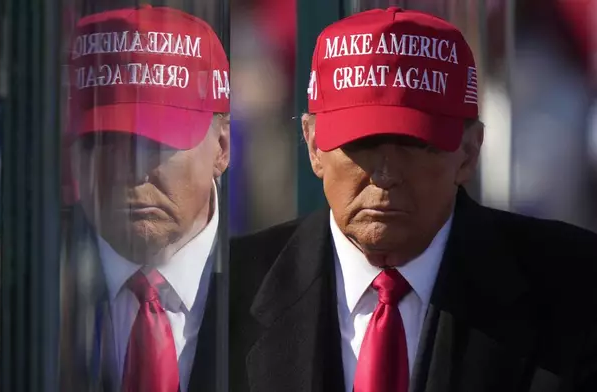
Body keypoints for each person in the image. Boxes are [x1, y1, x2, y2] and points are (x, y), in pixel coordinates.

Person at [229, 7, 597, 392]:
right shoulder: (221, 293)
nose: (385, 173)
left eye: (414, 145)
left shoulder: (577, 292)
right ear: (313, 145)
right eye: (361, 144)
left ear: (469, 152)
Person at [60, 5, 230, 392]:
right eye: (106, 144)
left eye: (157, 144)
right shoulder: (22, 298)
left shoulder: (291, 288)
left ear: (221, 146)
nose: (131, 173)